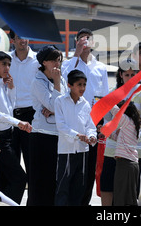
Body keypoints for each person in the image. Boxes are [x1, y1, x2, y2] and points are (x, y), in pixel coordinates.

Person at [62, 28, 109, 205]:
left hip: (93, 120)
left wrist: (101, 122)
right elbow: (64, 76)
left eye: (88, 39)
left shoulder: (100, 67)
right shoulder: (71, 63)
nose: (85, 42)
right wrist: (76, 54)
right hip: (73, 118)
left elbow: (104, 96)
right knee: (72, 163)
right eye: (81, 39)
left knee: (90, 166)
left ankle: (84, 201)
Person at [0, 51, 32, 204]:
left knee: (4, 179)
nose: (7, 68)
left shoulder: (0, 84)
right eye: (3, 64)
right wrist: (18, 122)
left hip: (6, 135)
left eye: (9, 64)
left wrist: (12, 88)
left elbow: (9, 107)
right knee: (19, 178)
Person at [100, 59, 141, 206]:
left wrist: (129, 123)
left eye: (132, 74)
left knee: (131, 190)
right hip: (113, 146)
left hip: (135, 147)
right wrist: (110, 127)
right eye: (126, 74)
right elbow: (107, 118)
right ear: (121, 75)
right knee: (107, 184)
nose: (130, 77)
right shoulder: (113, 92)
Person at [28, 45, 67, 206]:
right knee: (40, 179)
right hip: (42, 134)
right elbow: (53, 105)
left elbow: (67, 104)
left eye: (59, 60)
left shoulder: (62, 79)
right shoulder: (38, 82)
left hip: (58, 134)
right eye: (53, 60)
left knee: (54, 179)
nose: (57, 64)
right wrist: (55, 107)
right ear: (44, 62)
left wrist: (55, 109)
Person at [54, 70, 97, 206]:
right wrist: (78, 136)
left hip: (83, 151)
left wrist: (91, 136)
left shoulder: (85, 103)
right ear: (69, 85)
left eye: (84, 84)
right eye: (79, 85)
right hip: (66, 151)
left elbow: (90, 125)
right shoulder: (60, 101)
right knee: (63, 187)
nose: (82, 88)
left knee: (79, 188)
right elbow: (61, 126)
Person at [8, 30, 39, 177]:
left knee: (32, 161)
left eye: (26, 36)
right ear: (12, 40)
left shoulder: (38, 61)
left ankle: (33, 199)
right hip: (10, 115)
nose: (23, 41)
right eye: (19, 37)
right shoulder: (6, 60)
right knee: (11, 163)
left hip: (31, 115)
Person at [112, 101, 141, 206]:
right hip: (131, 164)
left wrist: (107, 100)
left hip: (125, 164)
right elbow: (120, 140)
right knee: (129, 198)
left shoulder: (127, 121)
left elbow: (115, 111)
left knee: (121, 198)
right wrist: (104, 132)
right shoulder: (132, 124)